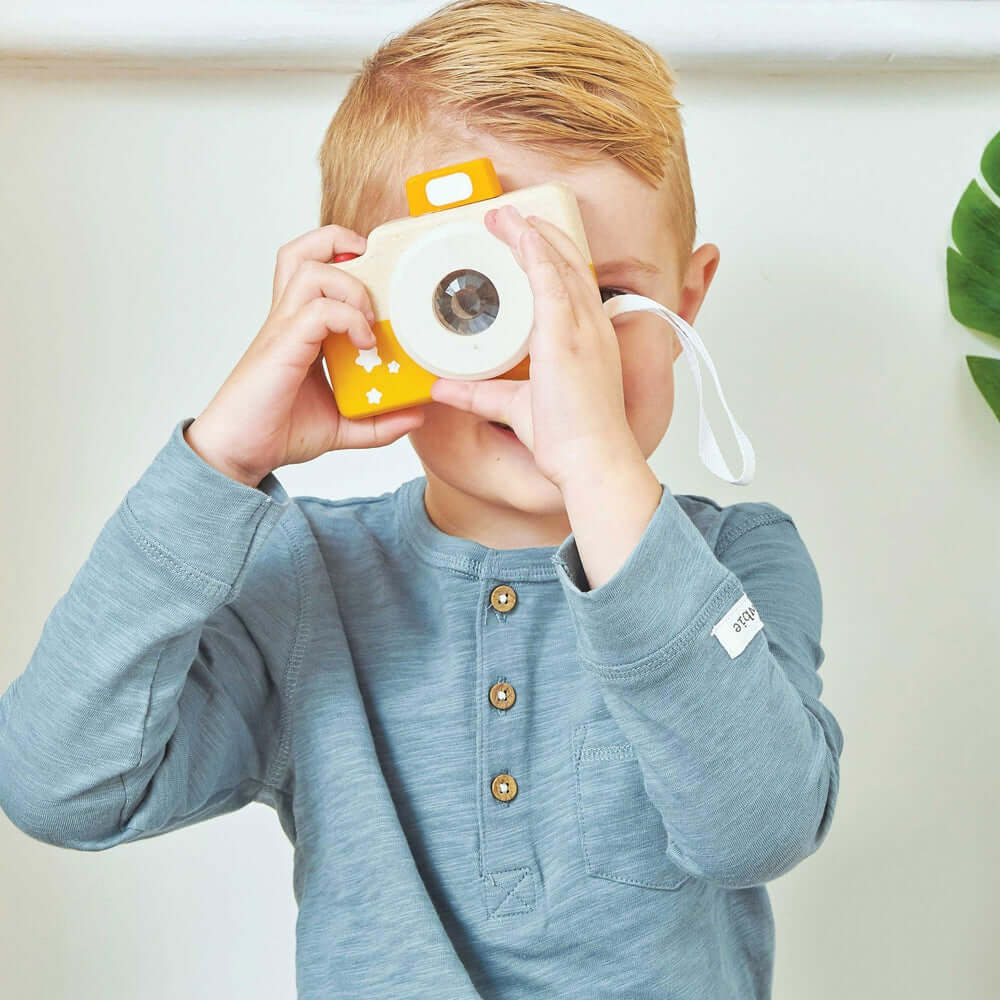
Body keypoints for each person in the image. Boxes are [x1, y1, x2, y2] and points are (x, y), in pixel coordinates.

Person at [0, 1, 844, 997]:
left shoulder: (737, 561)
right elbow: (60, 787)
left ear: (687, 301)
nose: (547, 357)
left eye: (605, 298)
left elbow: (760, 828)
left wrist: (602, 468)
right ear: (361, 304)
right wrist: (219, 458)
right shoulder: (307, 584)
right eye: (473, 298)